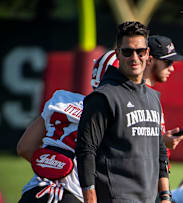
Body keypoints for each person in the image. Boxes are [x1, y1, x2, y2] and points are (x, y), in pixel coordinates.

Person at [75, 21, 171, 203]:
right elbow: (85, 150)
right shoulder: (103, 97)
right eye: (127, 52)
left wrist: (165, 196)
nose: (134, 58)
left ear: (148, 54)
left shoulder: (153, 97)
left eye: (140, 51)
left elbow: (160, 151)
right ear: (118, 53)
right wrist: (90, 198)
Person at [16, 50, 119, 203]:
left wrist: (54, 167)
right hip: (75, 196)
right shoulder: (117, 114)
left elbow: (25, 147)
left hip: (36, 191)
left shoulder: (62, 100)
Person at [145, 35, 183, 150]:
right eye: (168, 62)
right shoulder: (134, 95)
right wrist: (161, 141)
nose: (172, 68)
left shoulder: (151, 94)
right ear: (150, 60)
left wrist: (164, 139)